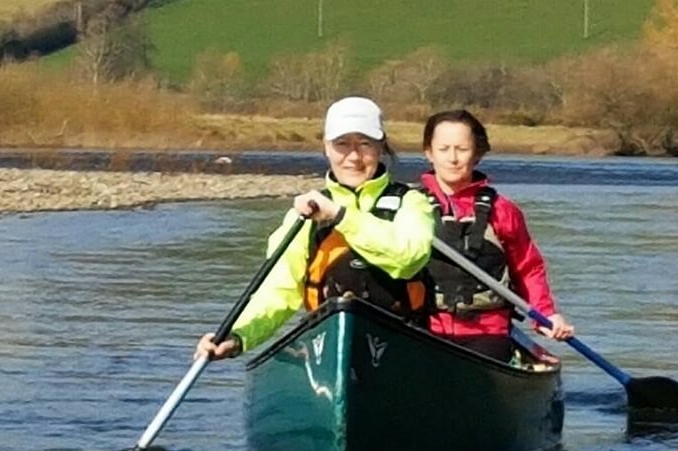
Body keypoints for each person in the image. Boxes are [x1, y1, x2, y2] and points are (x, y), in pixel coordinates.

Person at [195, 96, 435, 361]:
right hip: (328, 349)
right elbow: (278, 292)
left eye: (364, 144)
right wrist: (238, 337)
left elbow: (409, 259)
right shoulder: (303, 217)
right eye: (342, 144)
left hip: (402, 348)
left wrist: (340, 216)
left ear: (381, 147)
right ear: (327, 148)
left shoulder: (411, 203)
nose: (353, 157)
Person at [420, 109, 574, 361]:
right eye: (444, 149)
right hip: (424, 328)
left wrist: (546, 316)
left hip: (487, 332)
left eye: (462, 149)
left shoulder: (503, 211)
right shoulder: (410, 206)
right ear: (429, 153)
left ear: (477, 153)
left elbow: (528, 268)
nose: (453, 158)